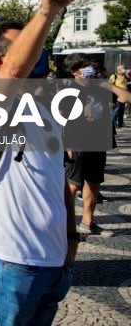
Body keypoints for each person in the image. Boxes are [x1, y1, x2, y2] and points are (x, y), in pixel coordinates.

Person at [0, 0, 92, 326]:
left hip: (54, 264)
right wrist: (45, 13)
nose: (39, 51)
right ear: (0, 62)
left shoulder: (47, 113)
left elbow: (58, 182)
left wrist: (70, 245)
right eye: (29, 44)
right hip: (12, 264)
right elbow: (14, 72)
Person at [63, 54, 129, 237]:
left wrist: (105, 84)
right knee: (72, 185)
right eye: (84, 66)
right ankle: (66, 225)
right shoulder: (67, 90)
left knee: (93, 183)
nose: (89, 69)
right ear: (75, 71)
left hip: (98, 141)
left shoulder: (100, 87)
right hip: (76, 142)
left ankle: (88, 222)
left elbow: (125, 96)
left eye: (90, 65)